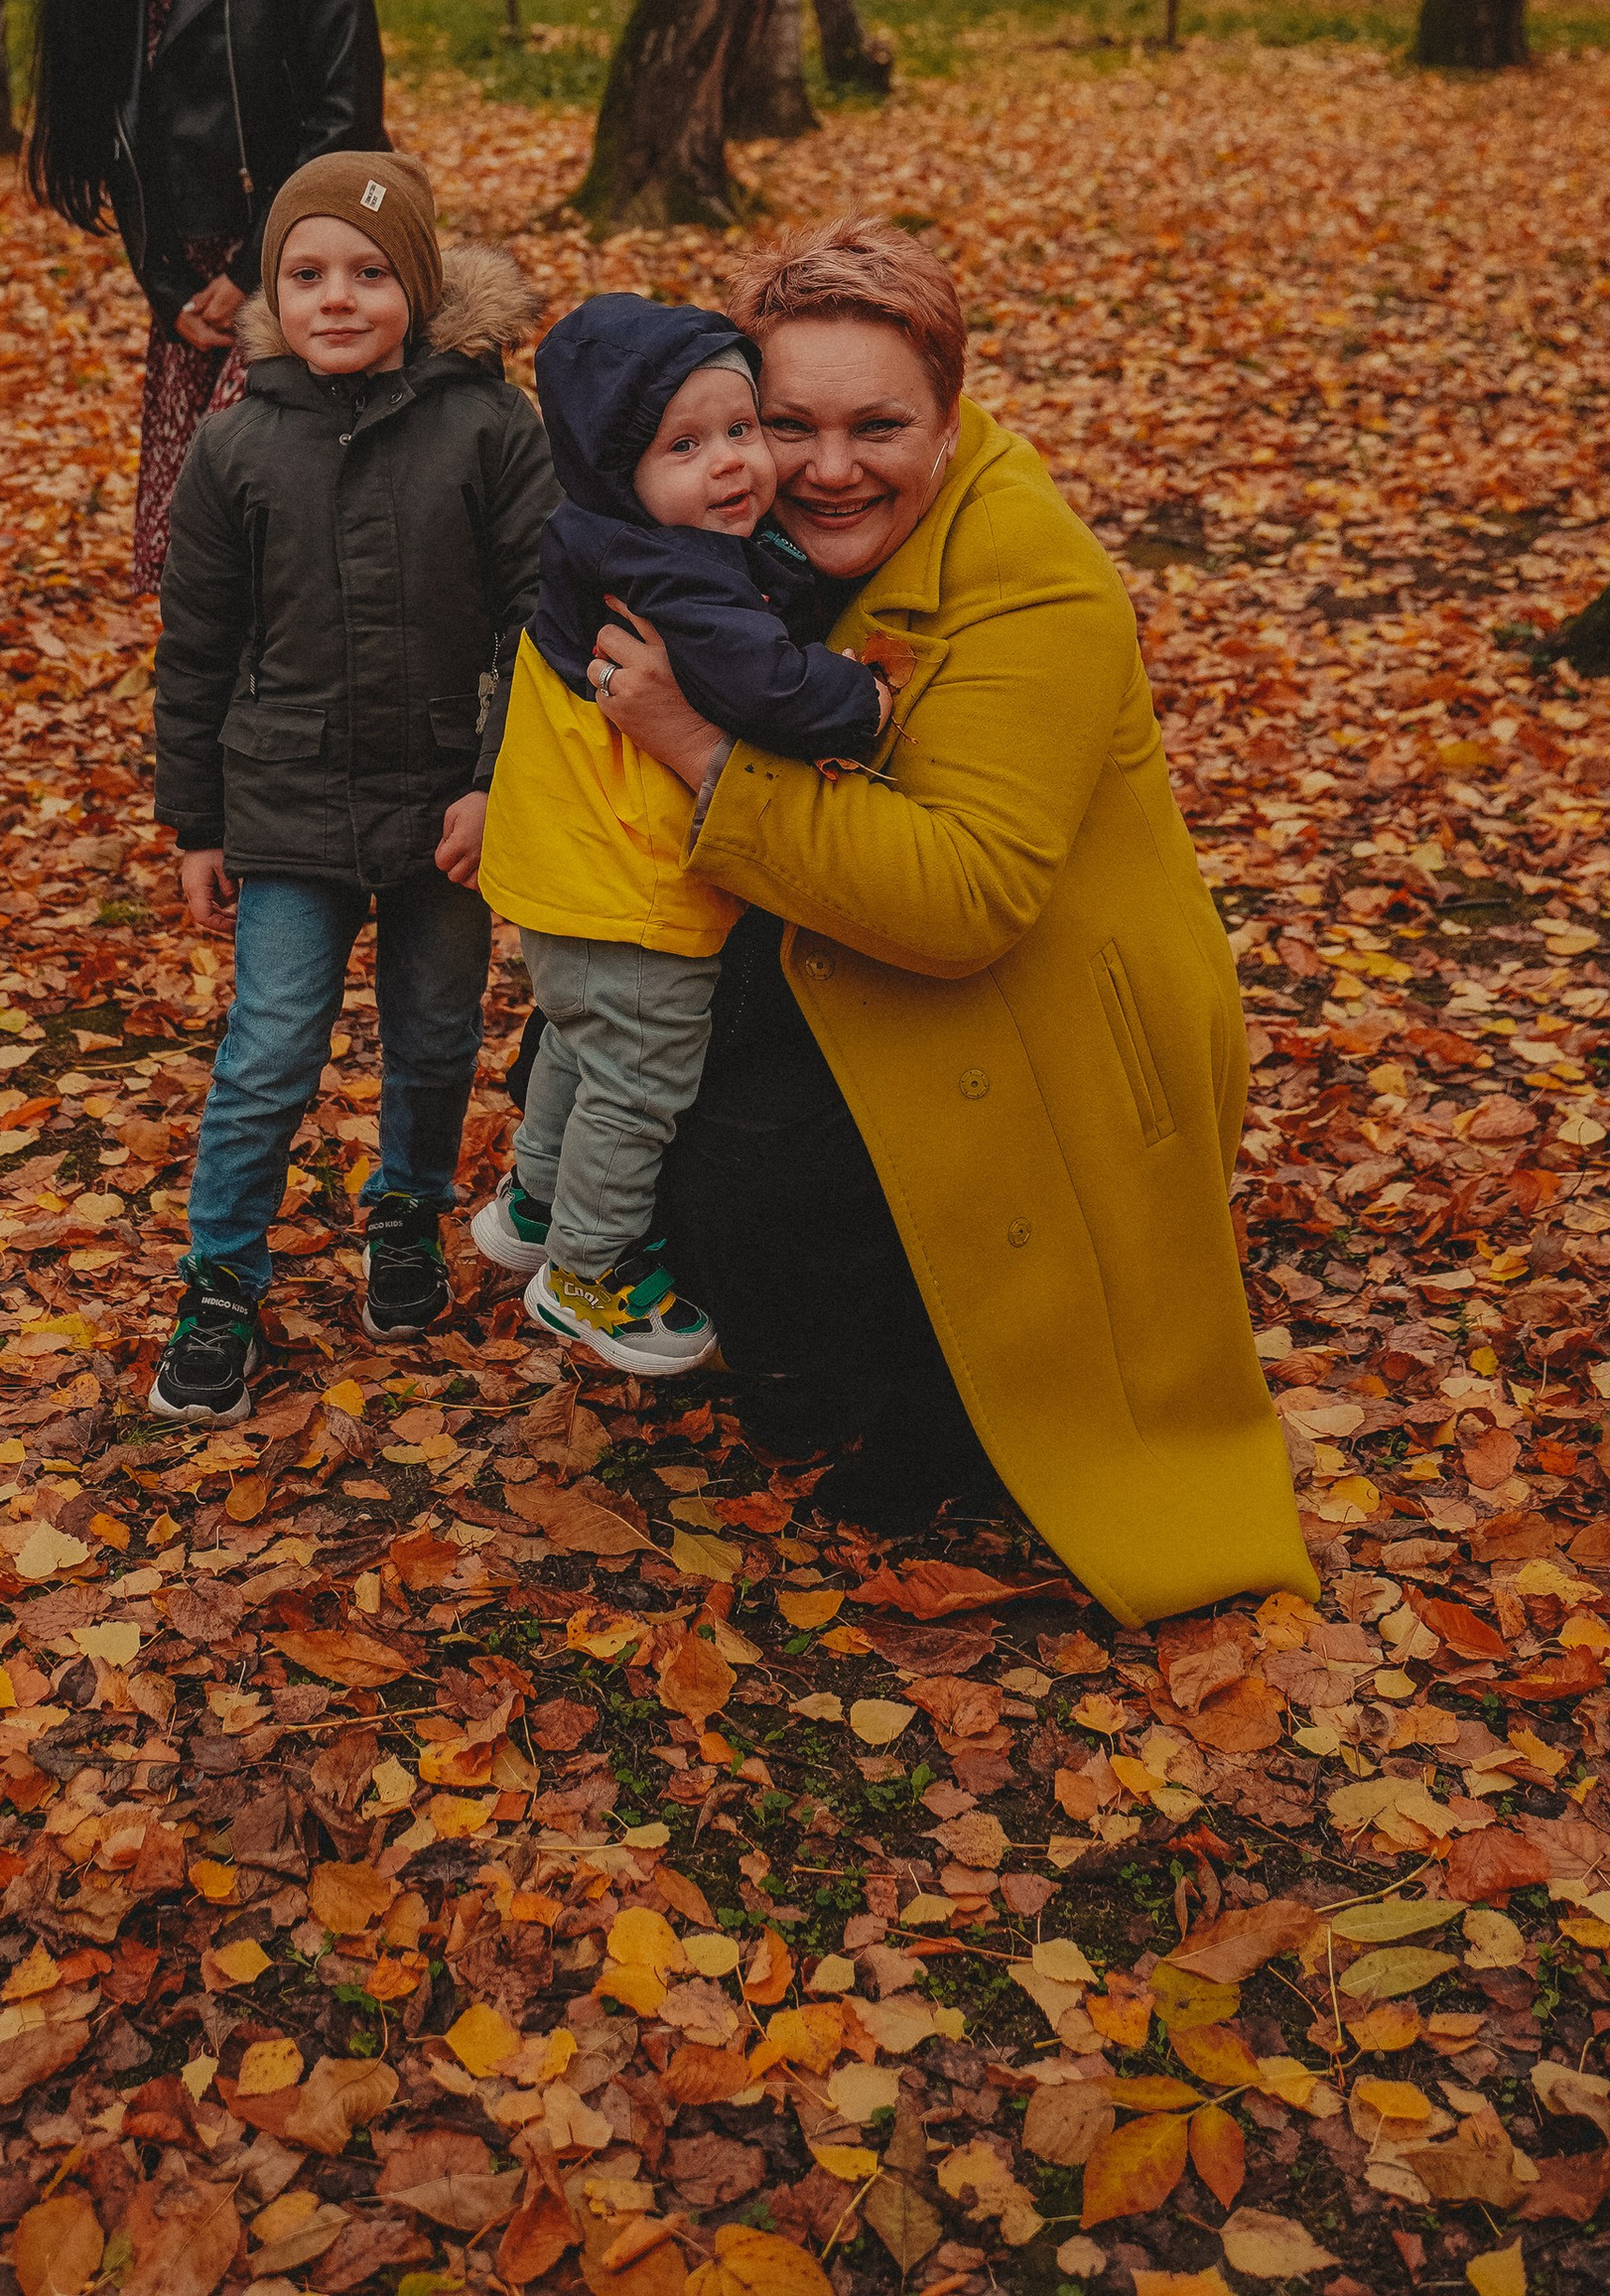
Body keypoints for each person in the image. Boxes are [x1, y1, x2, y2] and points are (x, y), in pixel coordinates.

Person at [584, 217, 1313, 1625]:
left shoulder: (1033, 577)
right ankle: (835, 1346)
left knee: (769, 1177)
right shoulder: (749, 529)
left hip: (1039, 1007)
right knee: (658, 1092)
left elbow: (968, 897)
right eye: (786, 423)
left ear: (951, 416)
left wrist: (698, 753)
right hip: (856, 925)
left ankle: (936, 1406)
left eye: (878, 425)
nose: (829, 465)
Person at [148, 153, 552, 1420]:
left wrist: (497, 786)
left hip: (443, 806)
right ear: (274, 289)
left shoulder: (491, 429)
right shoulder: (235, 446)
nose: (337, 298)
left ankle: (405, 1219)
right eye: (307, 273)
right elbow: (197, 643)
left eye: (371, 274)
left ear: (418, 291)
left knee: (435, 1040)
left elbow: (536, 625)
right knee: (268, 1050)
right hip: (287, 806)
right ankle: (221, 1282)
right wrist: (196, 822)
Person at [470, 297, 903, 1377]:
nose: (730, 466)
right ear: (622, 468)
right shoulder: (679, 570)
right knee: (640, 1076)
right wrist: (861, 704)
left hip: (560, 877)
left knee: (577, 1037)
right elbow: (760, 682)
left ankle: (531, 1201)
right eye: (685, 445)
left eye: (741, 429)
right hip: (633, 888)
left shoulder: (597, 531)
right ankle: (589, 1267)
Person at [24, 0, 385, 595]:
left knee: (282, 545)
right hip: (189, 306)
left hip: (297, 284)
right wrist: (168, 291)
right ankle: (214, 729)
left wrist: (250, 268)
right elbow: (115, 145)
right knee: (199, 569)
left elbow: (345, 121)